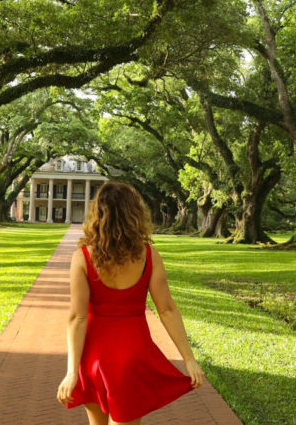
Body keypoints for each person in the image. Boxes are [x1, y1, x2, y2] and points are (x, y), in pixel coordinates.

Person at [55, 180, 205, 424]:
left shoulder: (82, 257)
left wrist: (72, 372)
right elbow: (166, 309)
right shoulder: (149, 256)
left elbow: (78, 317)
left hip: (94, 355)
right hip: (133, 355)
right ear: (134, 214)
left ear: (97, 214)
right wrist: (189, 359)